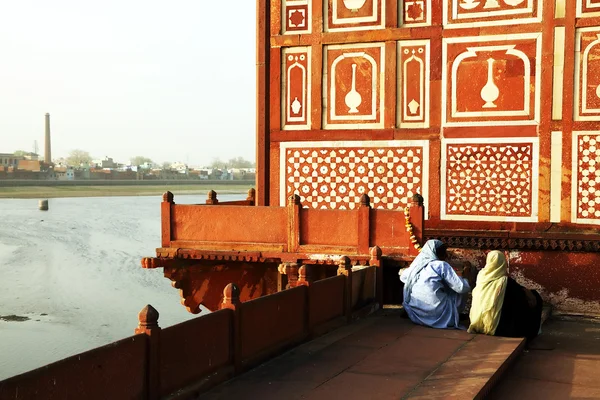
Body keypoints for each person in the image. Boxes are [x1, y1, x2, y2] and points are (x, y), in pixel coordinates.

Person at [400, 239, 476, 329]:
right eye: (443, 252)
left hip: (417, 314)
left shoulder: (416, 265)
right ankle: (453, 314)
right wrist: (467, 271)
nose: (446, 255)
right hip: (437, 314)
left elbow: (403, 277)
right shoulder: (440, 265)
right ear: (435, 252)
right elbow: (461, 287)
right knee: (462, 288)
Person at [468, 250, 543, 341]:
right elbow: (520, 295)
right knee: (534, 297)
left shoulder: (482, 275)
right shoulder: (504, 282)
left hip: (478, 321)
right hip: (498, 327)